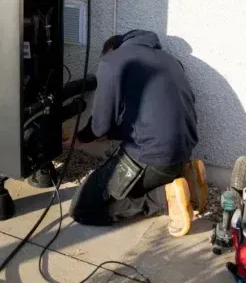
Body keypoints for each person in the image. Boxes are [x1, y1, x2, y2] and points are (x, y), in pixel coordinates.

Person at [68, 29, 206, 237]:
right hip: (181, 152)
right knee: (128, 177)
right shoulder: (170, 61)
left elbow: (100, 125)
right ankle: (186, 176)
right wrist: (111, 133)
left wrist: (80, 138)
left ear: (111, 50)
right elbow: (150, 114)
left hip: (153, 157)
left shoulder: (112, 61)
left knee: (83, 207)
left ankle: (164, 197)